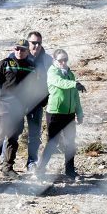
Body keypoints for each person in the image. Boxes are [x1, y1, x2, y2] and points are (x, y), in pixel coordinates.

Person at [0, 39, 36, 179]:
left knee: (13, 138)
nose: (19, 51)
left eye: (23, 49)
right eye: (17, 49)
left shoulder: (31, 66)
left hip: (19, 107)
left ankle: (7, 167)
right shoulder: (5, 63)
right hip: (3, 104)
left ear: (28, 51)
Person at [36, 49, 83, 181]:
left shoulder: (70, 74)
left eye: (65, 60)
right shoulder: (52, 72)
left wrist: (79, 112)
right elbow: (60, 83)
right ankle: (40, 169)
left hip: (69, 114)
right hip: (55, 113)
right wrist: (74, 84)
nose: (63, 62)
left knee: (70, 143)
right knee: (52, 142)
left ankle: (70, 170)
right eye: (60, 60)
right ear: (54, 60)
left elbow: (75, 95)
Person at [24, 31, 53, 172]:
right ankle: (7, 164)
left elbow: (53, 76)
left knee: (34, 134)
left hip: (36, 101)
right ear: (28, 42)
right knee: (10, 133)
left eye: (39, 43)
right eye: (33, 43)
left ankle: (31, 163)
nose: (36, 46)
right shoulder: (19, 55)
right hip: (19, 101)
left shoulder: (47, 59)